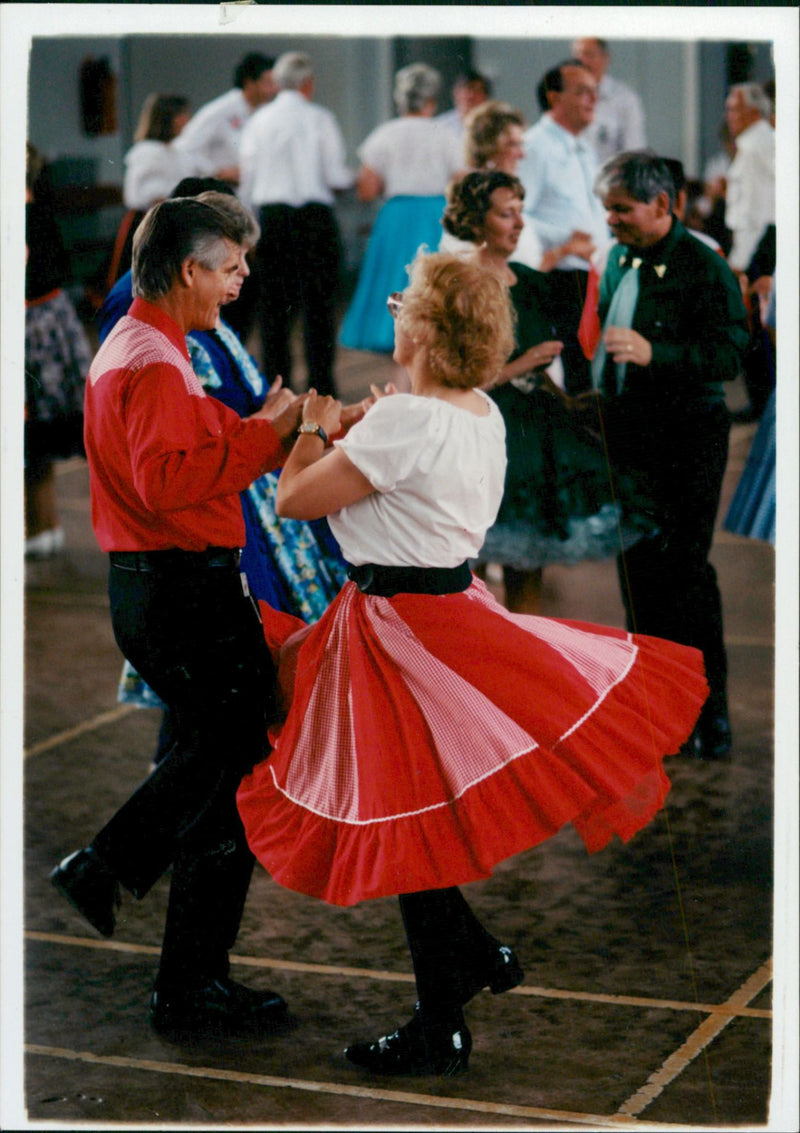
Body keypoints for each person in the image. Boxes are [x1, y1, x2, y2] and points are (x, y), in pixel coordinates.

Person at [236, 251, 709, 1077]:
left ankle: (443, 1016)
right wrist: (371, 423)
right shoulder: (476, 411)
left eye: (400, 303)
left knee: (405, 816)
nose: (393, 313)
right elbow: (409, 466)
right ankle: (465, 968)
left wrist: (312, 426)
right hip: (448, 611)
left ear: (421, 328)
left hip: (399, 629)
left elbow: (293, 498)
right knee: (414, 812)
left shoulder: (405, 421)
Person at [49, 196, 308, 1034]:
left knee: (222, 775)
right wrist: (267, 436)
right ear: (189, 268)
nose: (240, 283)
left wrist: (247, 426)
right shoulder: (156, 357)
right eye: (231, 268)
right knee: (230, 754)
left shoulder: (144, 344)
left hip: (159, 586)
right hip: (181, 590)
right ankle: (111, 870)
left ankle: (190, 978)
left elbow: (174, 452)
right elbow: (167, 480)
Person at [591, 151, 749, 761]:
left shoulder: (704, 268)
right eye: (607, 210)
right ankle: (658, 712)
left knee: (685, 576)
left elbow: (729, 357)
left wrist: (659, 354)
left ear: (663, 204)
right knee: (637, 577)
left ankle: (711, 717)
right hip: (628, 435)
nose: (611, 221)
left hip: (687, 438)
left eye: (622, 209)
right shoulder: (616, 259)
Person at [442, 169, 656, 613]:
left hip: (532, 433)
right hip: (478, 431)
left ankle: (521, 666)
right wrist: (521, 365)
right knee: (467, 571)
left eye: (521, 212)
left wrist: (567, 402)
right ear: (476, 221)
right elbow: (450, 377)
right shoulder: (460, 283)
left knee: (528, 561)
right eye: (506, 214)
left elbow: (539, 368)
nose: (519, 223)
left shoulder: (531, 281)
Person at [239, 51, 353, 396]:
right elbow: (334, 175)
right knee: (318, 309)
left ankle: (279, 389)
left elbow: (248, 181)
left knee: (274, 311)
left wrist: (246, 232)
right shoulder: (320, 118)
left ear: (276, 83)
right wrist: (353, 178)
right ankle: (322, 388)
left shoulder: (258, 121)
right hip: (313, 219)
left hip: (272, 219)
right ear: (308, 83)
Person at [339, 62, 463, 354]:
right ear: (432, 100)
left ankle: (396, 345)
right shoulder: (445, 134)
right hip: (436, 214)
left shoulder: (385, 134)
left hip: (397, 215)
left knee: (395, 280)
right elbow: (460, 181)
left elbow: (366, 190)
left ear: (400, 100)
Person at [517, 60, 611, 393]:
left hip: (589, 272)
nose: (592, 99)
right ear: (554, 98)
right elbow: (518, 216)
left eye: (594, 92)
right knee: (576, 375)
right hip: (559, 277)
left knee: (591, 369)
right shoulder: (535, 146)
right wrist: (566, 240)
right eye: (582, 91)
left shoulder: (582, 145)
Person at [24, 143, 93, 558]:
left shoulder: (26, 218)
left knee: (33, 437)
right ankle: (43, 524)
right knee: (38, 439)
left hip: (34, 330)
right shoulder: (44, 214)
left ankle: (39, 526)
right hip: (52, 325)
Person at [107, 94, 200, 291]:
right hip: (147, 223)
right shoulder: (147, 152)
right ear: (169, 118)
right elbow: (139, 195)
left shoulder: (178, 151)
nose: (188, 121)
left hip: (171, 222)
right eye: (183, 115)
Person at [723, 82, 776, 423]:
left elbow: (754, 212)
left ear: (754, 112)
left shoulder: (756, 145)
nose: (728, 116)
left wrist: (739, 263)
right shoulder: (760, 141)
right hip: (765, 242)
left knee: (757, 326)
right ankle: (762, 402)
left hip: (759, 245)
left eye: (734, 108)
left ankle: (762, 405)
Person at [173, 52, 276, 187]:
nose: (273, 89)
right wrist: (216, 173)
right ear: (249, 83)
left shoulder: (266, 112)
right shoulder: (221, 110)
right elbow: (184, 147)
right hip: (219, 194)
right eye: (267, 83)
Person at [571, 38, 647, 164]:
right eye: (578, 54)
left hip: (608, 181)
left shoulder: (625, 100)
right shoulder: (567, 97)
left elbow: (634, 152)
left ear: (605, 58)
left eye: (589, 54)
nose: (583, 61)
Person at [435, 69, 492, 140]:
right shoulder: (440, 125)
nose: (471, 95)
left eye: (477, 91)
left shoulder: (494, 126)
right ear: (456, 92)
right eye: (467, 89)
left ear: (486, 97)